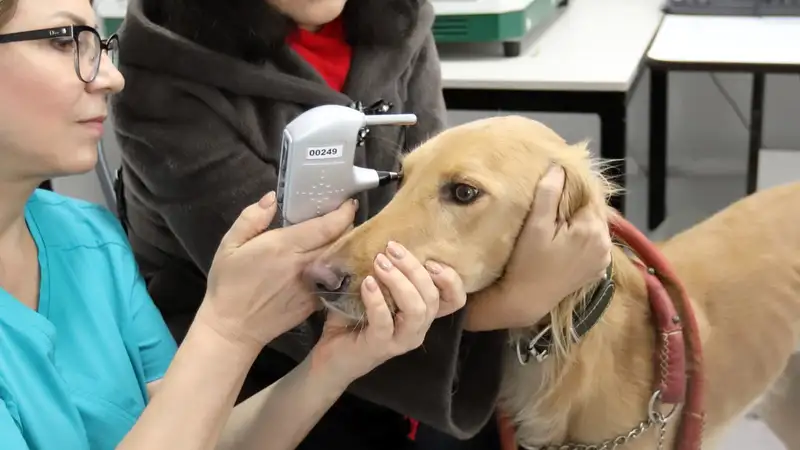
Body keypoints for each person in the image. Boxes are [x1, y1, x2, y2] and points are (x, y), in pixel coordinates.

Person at [110, 0, 614, 449]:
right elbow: (286, 301)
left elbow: (439, 212)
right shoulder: (160, 76)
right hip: (263, 376)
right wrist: (515, 304)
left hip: (439, 337)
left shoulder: (399, 18)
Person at [0, 0, 478, 449]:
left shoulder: (90, 241)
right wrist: (227, 330)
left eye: (99, 45)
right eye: (64, 40)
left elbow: (196, 434)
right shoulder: (166, 96)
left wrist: (333, 363)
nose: (111, 78)